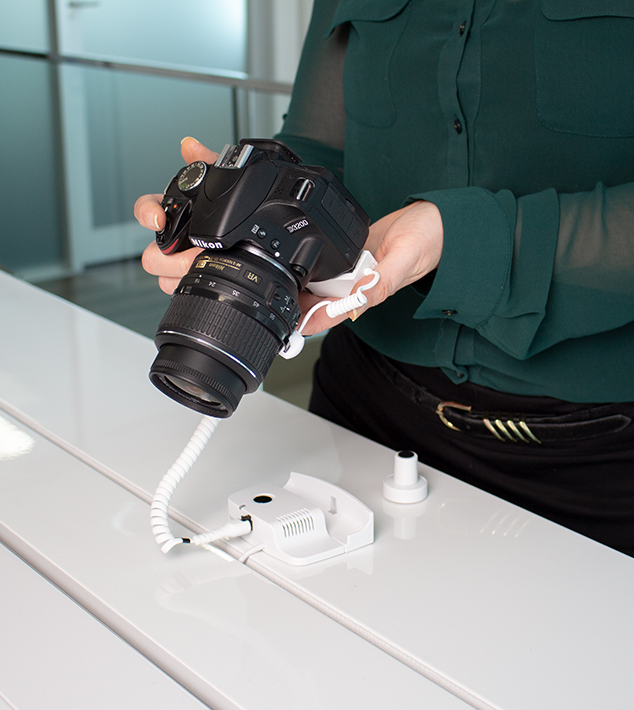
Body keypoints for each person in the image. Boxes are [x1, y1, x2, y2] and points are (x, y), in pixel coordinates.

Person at [135, 0, 634, 556]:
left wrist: (455, 237)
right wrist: (244, 209)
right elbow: (320, 149)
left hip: (594, 462)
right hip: (361, 410)